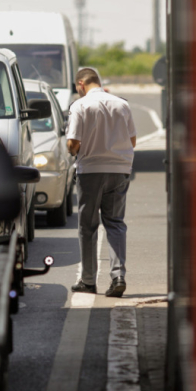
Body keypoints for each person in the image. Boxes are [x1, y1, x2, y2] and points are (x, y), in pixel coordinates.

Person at [66, 67, 137, 297]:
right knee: (115, 223)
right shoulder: (121, 104)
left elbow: (73, 143)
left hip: (91, 172)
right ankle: (118, 276)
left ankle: (88, 281)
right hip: (119, 170)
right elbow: (132, 140)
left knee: (87, 227)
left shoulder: (80, 105)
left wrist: (77, 149)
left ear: (80, 84)